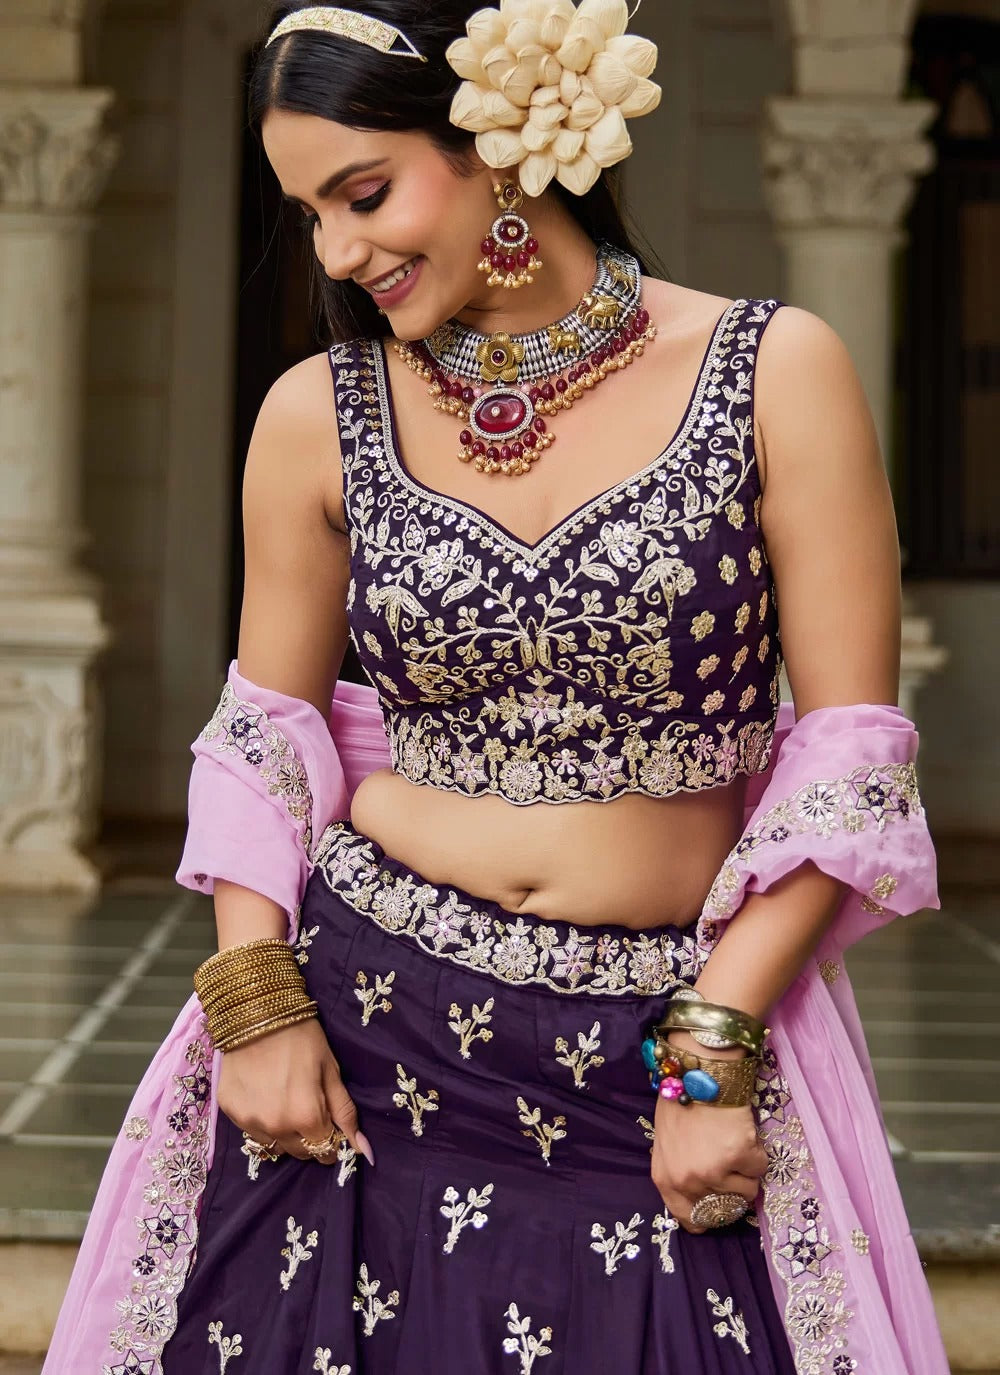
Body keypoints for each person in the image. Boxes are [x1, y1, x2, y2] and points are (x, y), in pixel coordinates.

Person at [41, 3, 950, 1373]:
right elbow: (263, 738)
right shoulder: (317, 415)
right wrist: (257, 1002)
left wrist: (713, 1053)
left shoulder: (772, 373)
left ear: (499, 148)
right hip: (367, 1036)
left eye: (364, 193)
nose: (341, 252)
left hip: (658, 1041)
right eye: (310, 216)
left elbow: (852, 754)